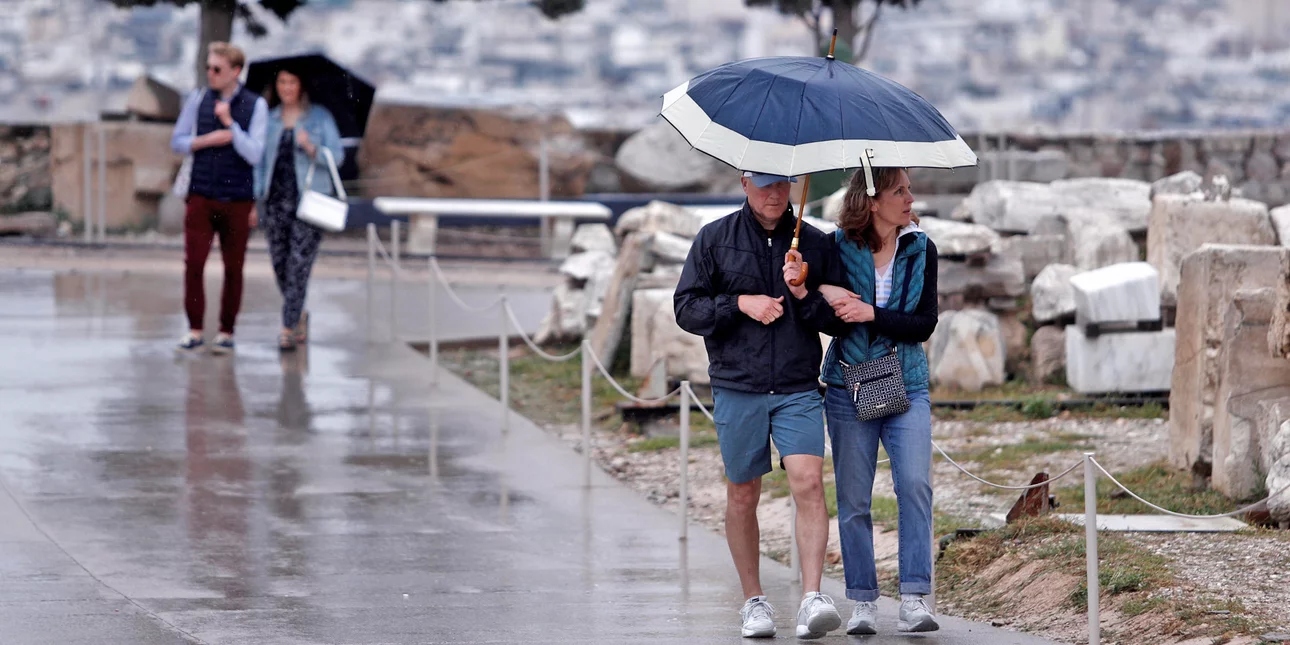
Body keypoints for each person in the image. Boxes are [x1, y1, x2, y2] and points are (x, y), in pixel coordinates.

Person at [674, 171, 843, 639]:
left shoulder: (814, 242)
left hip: (797, 384)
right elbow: (686, 309)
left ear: (793, 185)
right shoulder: (714, 238)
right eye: (764, 183)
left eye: (782, 184)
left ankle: (812, 598)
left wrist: (802, 291)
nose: (774, 193)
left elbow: (836, 318)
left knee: (809, 483)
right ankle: (754, 602)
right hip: (737, 385)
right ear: (745, 183)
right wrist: (738, 303)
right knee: (743, 493)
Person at [784, 167, 940, 635]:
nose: (910, 198)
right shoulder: (835, 247)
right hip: (849, 384)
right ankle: (863, 602)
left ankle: (914, 597)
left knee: (914, 484)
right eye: (900, 190)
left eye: (909, 189)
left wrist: (871, 312)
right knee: (854, 499)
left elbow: (925, 324)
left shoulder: (921, 248)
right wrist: (804, 290)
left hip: (906, 381)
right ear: (872, 202)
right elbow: (825, 322)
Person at [170, 41, 269, 354]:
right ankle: (195, 328)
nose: (211, 74)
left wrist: (231, 127)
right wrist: (206, 140)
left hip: (237, 198)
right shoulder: (198, 99)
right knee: (194, 264)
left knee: (233, 267)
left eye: (217, 69)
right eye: (208, 68)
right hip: (200, 193)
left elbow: (255, 152)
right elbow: (178, 141)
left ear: (235, 72)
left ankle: (226, 331)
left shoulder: (256, 106)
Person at [253, 67, 344, 351]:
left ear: (301, 85)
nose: (286, 87)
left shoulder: (319, 118)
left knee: (299, 266)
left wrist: (312, 148)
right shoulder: (269, 119)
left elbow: (337, 157)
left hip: (309, 201)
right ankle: (299, 314)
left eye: (292, 81)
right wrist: (256, 200)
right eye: (281, 81)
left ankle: (287, 327)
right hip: (275, 200)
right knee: (280, 263)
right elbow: (260, 163)